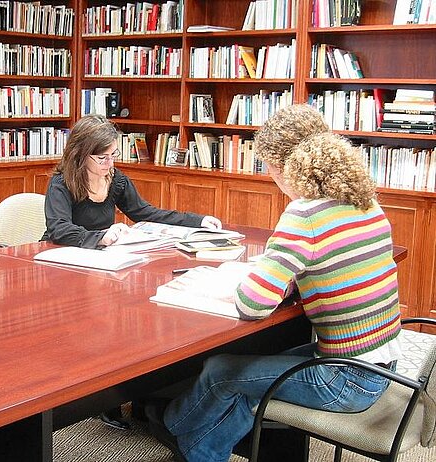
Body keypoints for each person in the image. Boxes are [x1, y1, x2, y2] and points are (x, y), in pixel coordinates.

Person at [145, 104, 403, 462]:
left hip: (346, 378)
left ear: (282, 167)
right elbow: (331, 269)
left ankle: (168, 423)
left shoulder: (305, 215)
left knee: (220, 371)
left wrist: (252, 277)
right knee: (248, 378)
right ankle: (201, 451)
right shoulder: (364, 202)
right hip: (381, 363)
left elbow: (252, 305)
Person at [42, 114, 222, 429]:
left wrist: (197, 221)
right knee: (88, 326)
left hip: (104, 265)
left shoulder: (116, 179)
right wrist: (99, 237)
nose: (109, 163)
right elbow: (58, 229)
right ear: (81, 154)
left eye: (113, 155)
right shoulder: (61, 182)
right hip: (64, 266)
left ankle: (117, 393)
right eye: (102, 157)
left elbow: (144, 212)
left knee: (122, 321)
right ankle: (94, 396)